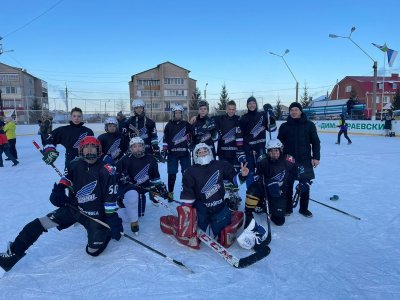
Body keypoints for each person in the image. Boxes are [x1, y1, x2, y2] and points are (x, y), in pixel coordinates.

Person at [0, 136, 123, 274]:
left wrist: (111, 218)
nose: (89, 150)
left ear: (98, 149)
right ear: (81, 150)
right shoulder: (74, 164)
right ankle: (12, 255)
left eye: (93, 146)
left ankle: (104, 233)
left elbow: (111, 195)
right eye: (86, 147)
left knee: (93, 251)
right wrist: (58, 190)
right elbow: (66, 178)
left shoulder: (106, 168)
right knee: (39, 223)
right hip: (75, 209)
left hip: (96, 216)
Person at [160, 143, 249, 249]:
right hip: (201, 209)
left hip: (219, 207)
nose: (202, 153)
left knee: (225, 237)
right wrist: (186, 214)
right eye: (199, 152)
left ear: (210, 152)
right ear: (195, 155)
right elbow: (188, 193)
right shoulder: (190, 171)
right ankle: (172, 223)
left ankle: (234, 216)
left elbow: (235, 182)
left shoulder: (221, 165)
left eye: (205, 151)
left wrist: (242, 175)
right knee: (191, 237)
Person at [116, 137, 168, 233]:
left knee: (139, 214)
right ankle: (120, 203)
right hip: (129, 189)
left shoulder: (151, 159)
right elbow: (116, 176)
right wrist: (122, 178)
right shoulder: (125, 160)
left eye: (140, 146)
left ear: (144, 147)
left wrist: (159, 187)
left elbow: (155, 176)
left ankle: (132, 202)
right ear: (130, 148)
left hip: (142, 188)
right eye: (134, 146)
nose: (138, 148)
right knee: (132, 210)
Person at [277, 102, 320, 218]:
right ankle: (288, 208)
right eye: (292, 110)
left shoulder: (309, 125)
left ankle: (303, 209)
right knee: (287, 185)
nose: (294, 112)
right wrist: (278, 158)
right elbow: (278, 144)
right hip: (288, 160)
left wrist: (316, 157)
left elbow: (316, 142)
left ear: (301, 111)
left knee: (304, 185)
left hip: (305, 159)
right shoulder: (284, 126)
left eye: (296, 110)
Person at [244, 139, 295, 227]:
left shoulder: (288, 160)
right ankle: (248, 212)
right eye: (271, 151)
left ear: (281, 150)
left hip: (279, 191)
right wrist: (268, 182)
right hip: (265, 188)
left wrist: (304, 180)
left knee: (279, 221)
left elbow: (297, 170)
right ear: (267, 152)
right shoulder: (262, 160)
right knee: (253, 189)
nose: (274, 153)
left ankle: (271, 209)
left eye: (276, 150)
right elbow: (257, 176)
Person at [239, 96, 276, 187]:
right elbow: (240, 135)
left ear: (256, 104)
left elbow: (272, 129)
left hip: (261, 148)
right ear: (247, 105)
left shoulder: (263, 115)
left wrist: (271, 116)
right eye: (250, 103)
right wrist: (242, 150)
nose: (252, 105)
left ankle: (262, 193)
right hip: (249, 149)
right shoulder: (244, 118)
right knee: (250, 172)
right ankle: (251, 193)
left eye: (253, 103)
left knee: (262, 170)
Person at [162, 104, 192, 202]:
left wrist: (191, 145)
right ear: (173, 114)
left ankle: (187, 192)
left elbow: (191, 136)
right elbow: (165, 139)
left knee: (187, 174)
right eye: (176, 113)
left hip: (184, 153)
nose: (178, 114)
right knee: (171, 174)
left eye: (179, 113)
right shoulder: (169, 125)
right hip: (172, 154)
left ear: (182, 114)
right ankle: (170, 193)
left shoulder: (186, 124)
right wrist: (164, 150)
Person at [214, 100, 244, 172]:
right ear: (226, 109)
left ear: (235, 109)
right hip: (223, 153)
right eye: (229, 109)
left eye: (233, 109)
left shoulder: (239, 119)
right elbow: (206, 119)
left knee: (235, 174)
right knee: (224, 174)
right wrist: (196, 117)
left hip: (236, 153)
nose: (231, 111)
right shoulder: (219, 119)